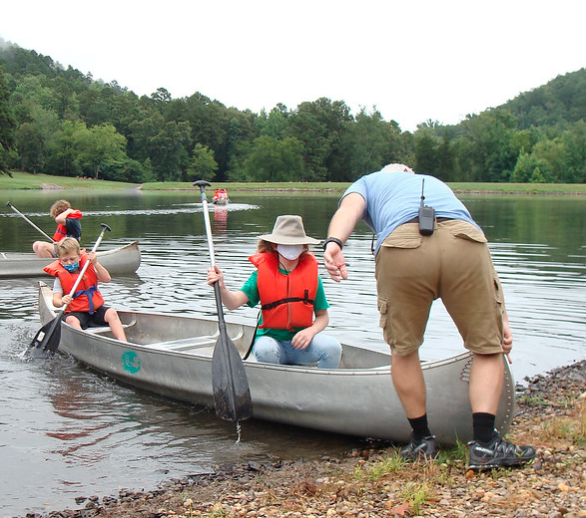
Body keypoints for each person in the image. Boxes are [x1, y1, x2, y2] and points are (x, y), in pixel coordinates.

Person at [322, 163, 536, 470]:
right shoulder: (435, 183)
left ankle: (422, 441)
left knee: (404, 350)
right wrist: (501, 321)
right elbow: (485, 266)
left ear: (387, 173)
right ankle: (486, 445)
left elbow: (349, 210)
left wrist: (334, 243)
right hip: (464, 241)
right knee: (487, 348)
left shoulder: (368, 182)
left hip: (401, 244)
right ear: (408, 172)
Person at [206, 215, 342, 369]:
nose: (291, 247)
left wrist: (311, 331)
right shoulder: (260, 275)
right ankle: (274, 382)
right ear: (274, 245)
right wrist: (222, 287)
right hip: (272, 343)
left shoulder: (313, 277)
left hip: (302, 346)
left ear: (304, 246)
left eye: (296, 243)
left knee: (333, 348)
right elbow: (233, 303)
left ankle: (319, 384)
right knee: (265, 349)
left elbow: (323, 317)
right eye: (285, 243)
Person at [43, 237, 127, 342]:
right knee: (71, 320)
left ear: (79, 256)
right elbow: (56, 301)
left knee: (112, 312)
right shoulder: (60, 278)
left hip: (94, 311)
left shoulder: (87, 267)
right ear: (59, 259)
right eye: (65, 260)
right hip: (76, 313)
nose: (69, 263)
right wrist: (62, 301)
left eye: (72, 259)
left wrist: (96, 263)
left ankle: (123, 342)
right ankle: (85, 344)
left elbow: (107, 279)